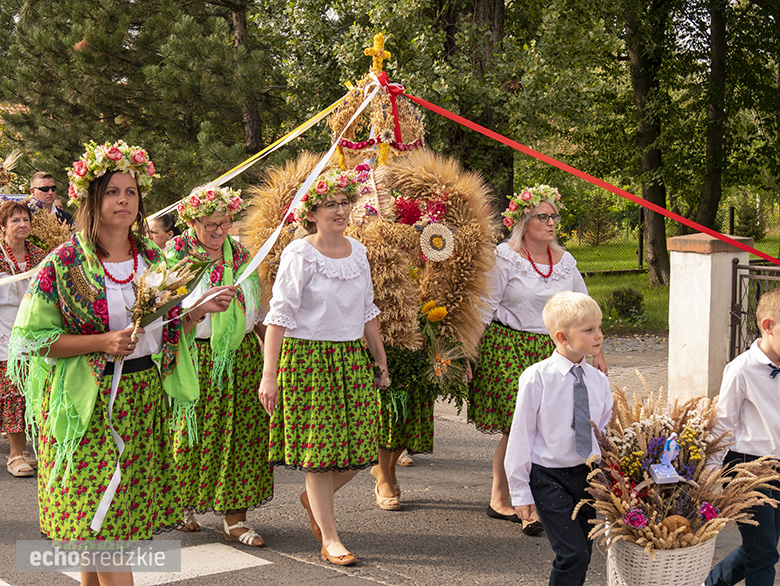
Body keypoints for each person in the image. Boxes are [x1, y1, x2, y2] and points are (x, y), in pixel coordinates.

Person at [9, 140, 233, 586]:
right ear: (93, 199)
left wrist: (194, 313)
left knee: (110, 529)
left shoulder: (154, 260)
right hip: (85, 407)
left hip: (140, 402)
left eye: (131, 192)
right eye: (113, 191)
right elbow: (33, 341)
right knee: (104, 528)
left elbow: (163, 333)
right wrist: (101, 342)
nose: (124, 200)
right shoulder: (65, 262)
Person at [258, 166, 389, 566]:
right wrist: (269, 374)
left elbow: (367, 310)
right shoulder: (300, 252)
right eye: (329, 204)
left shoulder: (360, 252)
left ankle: (314, 501)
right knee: (319, 452)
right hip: (308, 359)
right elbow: (279, 315)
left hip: (350, 358)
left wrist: (379, 357)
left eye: (344, 202)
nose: (339, 210)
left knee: (363, 445)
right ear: (311, 213)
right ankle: (330, 536)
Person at [467, 185, 607, 535]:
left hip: (558, 349)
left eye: (553, 216)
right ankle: (503, 498)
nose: (551, 222)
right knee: (518, 424)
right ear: (523, 223)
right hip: (508, 347)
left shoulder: (566, 261)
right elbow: (485, 307)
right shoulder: (506, 256)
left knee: (552, 425)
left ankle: (543, 496)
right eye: (542, 216)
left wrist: (598, 351)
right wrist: (466, 352)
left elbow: (585, 308)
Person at [166, 185, 272, 547]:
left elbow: (257, 310)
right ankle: (181, 503)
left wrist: (272, 356)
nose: (218, 231)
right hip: (193, 354)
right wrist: (196, 311)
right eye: (210, 224)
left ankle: (235, 518)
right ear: (192, 220)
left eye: (224, 223)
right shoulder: (176, 253)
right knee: (188, 433)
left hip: (240, 358)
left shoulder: (241, 254)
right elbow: (162, 312)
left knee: (242, 436)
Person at [505, 291, 612, 586]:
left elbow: (604, 432)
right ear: (563, 337)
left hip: (587, 475)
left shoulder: (599, 381)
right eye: (589, 330)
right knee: (572, 553)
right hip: (548, 476)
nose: (599, 336)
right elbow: (521, 436)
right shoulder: (537, 377)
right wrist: (520, 492)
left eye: (599, 327)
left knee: (584, 553)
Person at [705, 288, 780, 586]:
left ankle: (711, 583)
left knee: (762, 546)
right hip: (748, 469)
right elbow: (722, 425)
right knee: (762, 555)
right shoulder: (740, 370)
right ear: (767, 325)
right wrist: (710, 480)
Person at [0, 200, 46, 476]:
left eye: (25, 220)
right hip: (3, 331)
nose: (22, 225)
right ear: (3, 227)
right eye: (15, 220)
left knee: (34, 390)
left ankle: (28, 447)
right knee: (12, 391)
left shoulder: (39, 255)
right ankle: (15, 453)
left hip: (32, 330)